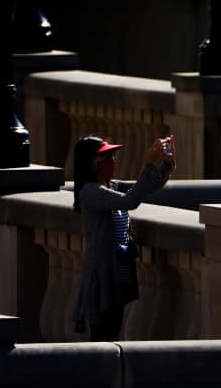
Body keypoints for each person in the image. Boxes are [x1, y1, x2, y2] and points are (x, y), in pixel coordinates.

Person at [71, 133, 175, 340]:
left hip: (118, 272)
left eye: (112, 156)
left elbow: (145, 188)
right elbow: (131, 201)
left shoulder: (112, 186)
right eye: (106, 158)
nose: (113, 161)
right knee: (103, 337)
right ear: (90, 164)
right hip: (102, 277)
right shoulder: (90, 192)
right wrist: (148, 163)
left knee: (112, 331)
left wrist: (166, 165)